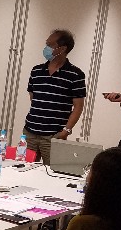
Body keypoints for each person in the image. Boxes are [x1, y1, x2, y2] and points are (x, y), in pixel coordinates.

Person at [22, 29, 86, 165]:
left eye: (50, 45)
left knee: (52, 172)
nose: (46, 48)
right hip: (30, 132)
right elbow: (33, 97)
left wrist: (66, 131)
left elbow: (78, 107)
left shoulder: (75, 74)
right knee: (25, 169)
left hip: (54, 135)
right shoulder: (36, 71)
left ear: (62, 48)